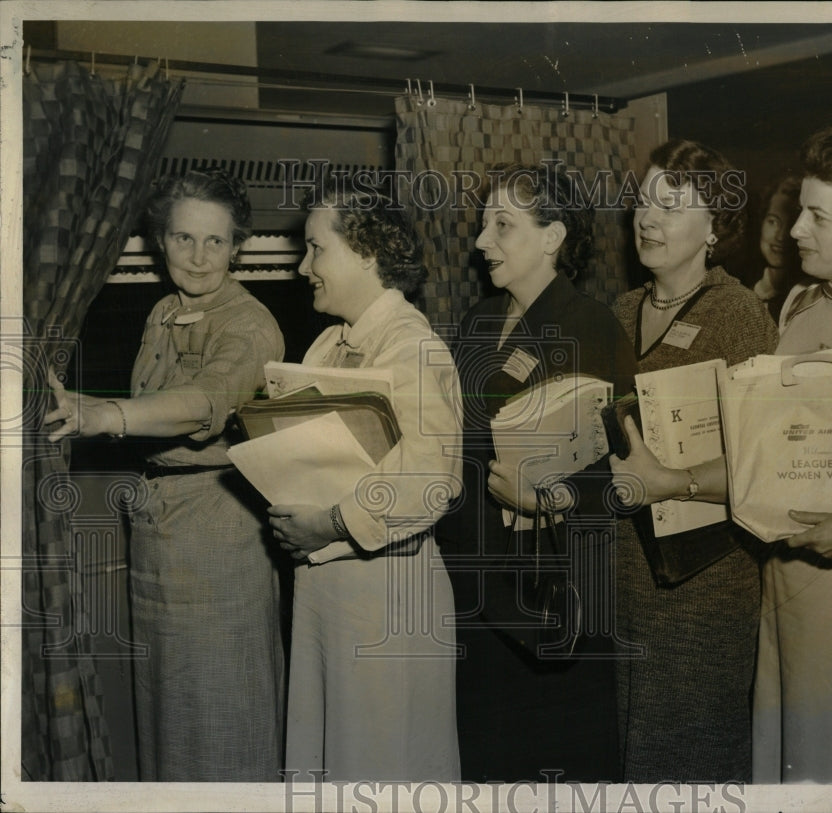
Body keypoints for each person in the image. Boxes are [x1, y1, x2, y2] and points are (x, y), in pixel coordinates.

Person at [611, 120, 832, 782]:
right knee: (779, 765)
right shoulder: (804, 301)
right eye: (799, 209)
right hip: (783, 577)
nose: (795, 229)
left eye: (816, 214)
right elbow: (766, 449)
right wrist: (677, 479)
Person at [44, 169, 286, 781]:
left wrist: (105, 416)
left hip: (219, 532)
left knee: (223, 718)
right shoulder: (162, 311)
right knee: (167, 716)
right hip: (159, 529)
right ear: (160, 242)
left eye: (215, 242)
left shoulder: (249, 324)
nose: (199, 257)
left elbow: (204, 400)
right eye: (183, 239)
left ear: (238, 247)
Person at [438, 163, 637, 783]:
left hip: (554, 594)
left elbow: (627, 476)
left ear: (552, 237)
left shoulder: (592, 327)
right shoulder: (476, 321)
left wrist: (546, 495)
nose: (480, 242)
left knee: (556, 769)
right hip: (475, 590)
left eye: (503, 226)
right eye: (482, 225)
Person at [267, 192, 463, 780]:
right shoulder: (331, 343)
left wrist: (326, 524)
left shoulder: (413, 347)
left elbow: (432, 480)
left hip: (389, 593)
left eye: (315, 249)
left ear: (367, 252)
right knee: (332, 761)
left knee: (387, 763)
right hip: (328, 589)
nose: (304, 267)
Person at [610, 140, 778, 783]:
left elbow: (765, 466)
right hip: (625, 580)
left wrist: (669, 482)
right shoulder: (620, 311)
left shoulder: (740, 317)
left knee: (689, 766)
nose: (647, 219)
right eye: (643, 202)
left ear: (715, 227)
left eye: (671, 206)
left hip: (703, 587)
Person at [748, 174, 807, 322]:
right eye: (773, 222)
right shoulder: (737, 284)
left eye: (792, 224)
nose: (780, 237)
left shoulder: (807, 297)